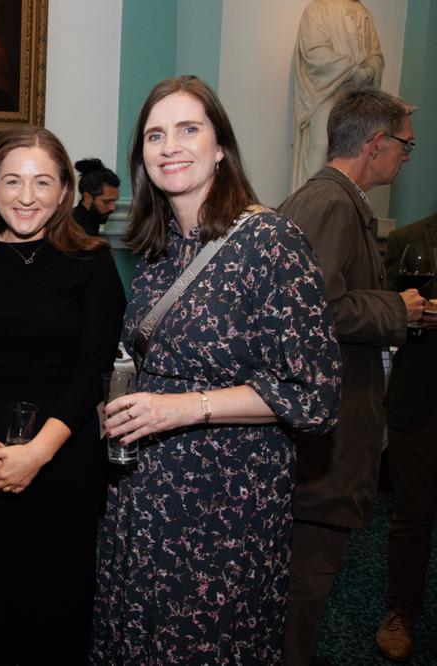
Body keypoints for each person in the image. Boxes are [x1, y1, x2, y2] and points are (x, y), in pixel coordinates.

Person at [91, 75, 341, 664]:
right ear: (142, 158)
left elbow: (317, 394)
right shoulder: (158, 254)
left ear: (220, 147)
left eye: (188, 129)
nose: (170, 145)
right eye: (155, 135)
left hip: (226, 502)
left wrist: (183, 407)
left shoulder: (270, 242)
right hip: (147, 492)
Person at [0, 126, 125, 664]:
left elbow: (92, 370)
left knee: (54, 607)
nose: (26, 195)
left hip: (60, 459)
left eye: (42, 181)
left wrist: (37, 453)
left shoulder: (93, 263)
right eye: (12, 181)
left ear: (64, 191)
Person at [278, 88, 425, 666]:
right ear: (375, 143)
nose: (407, 156)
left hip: (329, 436)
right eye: (406, 146)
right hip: (325, 445)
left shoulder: (337, 201)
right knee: (302, 585)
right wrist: (397, 311)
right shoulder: (332, 204)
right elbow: (311, 312)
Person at [373, 211, 437, 661]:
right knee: (413, 515)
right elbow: (388, 307)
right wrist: (413, 314)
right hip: (421, 398)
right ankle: (400, 612)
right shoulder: (410, 238)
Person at [291, 0, 383, 192]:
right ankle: (309, 201)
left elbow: (375, 53)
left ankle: (344, 204)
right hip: (326, 91)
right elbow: (314, 51)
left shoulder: (363, 12)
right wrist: (351, 70)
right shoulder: (318, 9)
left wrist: (371, 69)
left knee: (358, 150)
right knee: (321, 143)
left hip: (356, 97)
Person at [72, 157, 120, 236]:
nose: (112, 208)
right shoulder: (79, 235)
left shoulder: (74, 219)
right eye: (106, 202)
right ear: (88, 198)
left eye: (114, 201)